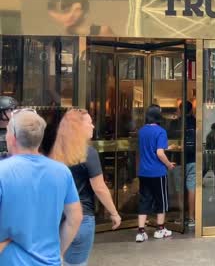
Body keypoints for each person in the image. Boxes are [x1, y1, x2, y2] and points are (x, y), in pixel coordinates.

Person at [0, 109, 83, 265]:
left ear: (12, 138)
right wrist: (59, 252)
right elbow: (75, 218)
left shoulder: (2, 172)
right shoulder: (62, 172)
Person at [49, 108, 121, 265]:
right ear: (79, 127)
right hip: (82, 218)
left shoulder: (55, 152)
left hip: (57, 218)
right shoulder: (88, 152)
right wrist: (114, 213)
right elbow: (99, 188)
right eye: (90, 123)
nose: (93, 126)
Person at [136, 105, 175, 242]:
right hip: (157, 172)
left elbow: (147, 148)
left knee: (144, 199)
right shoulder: (161, 131)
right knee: (161, 200)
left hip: (143, 171)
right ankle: (160, 229)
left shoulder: (141, 131)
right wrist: (169, 164)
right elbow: (159, 152)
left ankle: (141, 232)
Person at [183, 101, 197, 228]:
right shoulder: (196, 122)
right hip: (193, 158)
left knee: (178, 188)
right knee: (191, 187)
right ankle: (191, 217)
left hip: (177, 158)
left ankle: (180, 216)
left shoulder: (176, 123)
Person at [0, 96, 18, 160]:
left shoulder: (18, 131)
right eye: (10, 110)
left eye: (14, 109)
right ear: (1, 113)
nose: (13, 112)